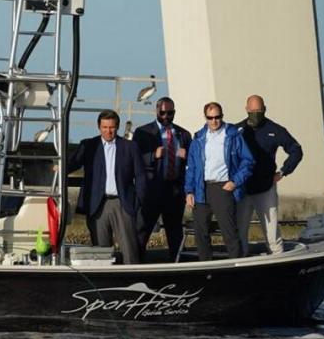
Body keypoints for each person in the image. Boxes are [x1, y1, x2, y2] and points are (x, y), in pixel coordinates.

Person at [68, 109, 146, 264]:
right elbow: (72, 163)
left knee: (130, 251)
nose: (108, 131)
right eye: (104, 127)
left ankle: (133, 282)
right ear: (99, 127)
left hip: (123, 204)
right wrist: (59, 167)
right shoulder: (89, 145)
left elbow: (141, 176)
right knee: (100, 253)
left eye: (111, 127)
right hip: (97, 205)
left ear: (117, 127)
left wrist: (137, 202)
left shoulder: (130, 147)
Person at [184, 102, 255, 260]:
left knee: (229, 231)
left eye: (218, 117)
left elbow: (248, 161)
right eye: (210, 118)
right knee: (201, 232)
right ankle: (206, 267)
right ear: (205, 117)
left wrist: (235, 182)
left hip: (223, 188)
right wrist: (189, 191)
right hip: (201, 189)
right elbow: (192, 167)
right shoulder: (198, 138)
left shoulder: (233, 135)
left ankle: (236, 266)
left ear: (222, 116)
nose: (214, 121)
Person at [236, 94, 303, 255]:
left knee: (272, 235)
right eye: (252, 111)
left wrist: (283, 172)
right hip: (242, 189)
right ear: (246, 110)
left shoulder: (276, 130)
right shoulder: (237, 130)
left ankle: (278, 263)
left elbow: (296, 150)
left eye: (259, 110)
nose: (255, 114)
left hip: (266, 189)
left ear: (265, 109)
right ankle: (240, 264)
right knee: (239, 233)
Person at [134, 97, 191, 260]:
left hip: (174, 190)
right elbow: (135, 159)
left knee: (175, 233)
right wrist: (153, 155)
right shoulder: (143, 132)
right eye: (163, 112)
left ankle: (177, 265)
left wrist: (187, 156)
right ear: (157, 111)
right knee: (142, 230)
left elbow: (195, 162)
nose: (166, 116)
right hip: (152, 190)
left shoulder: (183, 134)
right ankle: (136, 265)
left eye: (170, 113)